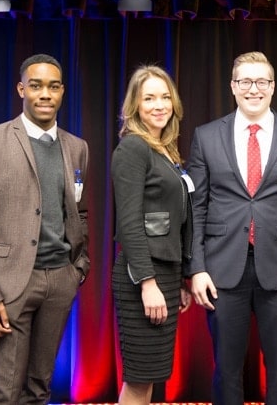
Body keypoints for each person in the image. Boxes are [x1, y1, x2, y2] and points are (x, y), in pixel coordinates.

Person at [187, 51, 277, 405]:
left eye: (261, 81)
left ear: (273, 86)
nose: (253, 89)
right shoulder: (206, 136)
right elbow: (195, 207)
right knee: (226, 369)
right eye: (245, 81)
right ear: (233, 86)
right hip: (221, 270)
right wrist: (197, 268)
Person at [0, 53, 90, 403]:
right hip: (9, 285)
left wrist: (78, 268)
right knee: (4, 391)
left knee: (39, 388)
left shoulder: (77, 148)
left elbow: (80, 211)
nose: (44, 94)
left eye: (53, 86)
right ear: (22, 89)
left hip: (60, 280)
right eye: (36, 86)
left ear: (62, 92)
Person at [111, 65, 193, 405]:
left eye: (164, 97)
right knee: (140, 378)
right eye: (149, 98)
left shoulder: (165, 152)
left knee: (150, 377)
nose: (159, 105)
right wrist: (147, 283)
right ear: (134, 106)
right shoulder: (134, 149)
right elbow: (129, 223)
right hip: (143, 277)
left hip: (165, 275)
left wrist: (180, 281)